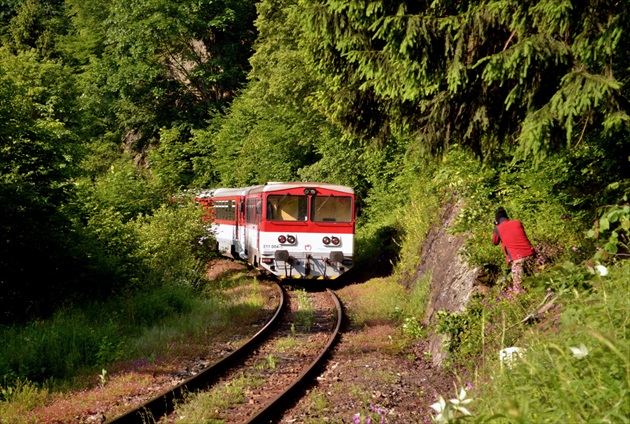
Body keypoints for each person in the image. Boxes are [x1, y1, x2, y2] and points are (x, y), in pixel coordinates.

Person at [492, 207, 535, 287]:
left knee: (519, 287)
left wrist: (496, 226)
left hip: (518, 259)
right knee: (536, 279)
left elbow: (495, 242)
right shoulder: (517, 222)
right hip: (531, 254)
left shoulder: (498, 229)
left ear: (497, 220)